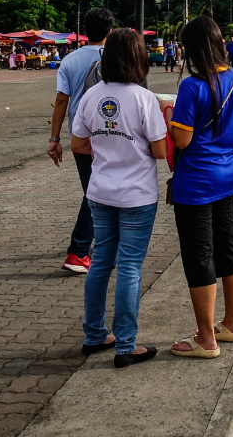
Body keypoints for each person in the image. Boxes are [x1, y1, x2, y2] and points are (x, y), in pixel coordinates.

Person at [70, 27, 170, 368]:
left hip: (100, 191)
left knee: (100, 263)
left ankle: (94, 334)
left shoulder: (91, 95)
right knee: (129, 266)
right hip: (137, 195)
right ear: (139, 58)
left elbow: (79, 144)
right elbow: (159, 151)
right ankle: (126, 345)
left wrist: (107, 146)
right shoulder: (144, 99)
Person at [167, 16, 233, 359]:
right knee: (227, 245)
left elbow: (182, 140)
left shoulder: (192, 86)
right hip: (227, 175)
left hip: (196, 183)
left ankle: (205, 338)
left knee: (199, 254)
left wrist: (168, 118)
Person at [47, 7, 116, 274]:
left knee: (95, 188)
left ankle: (96, 244)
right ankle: (78, 250)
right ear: (110, 31)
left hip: (80, 134)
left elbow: (61, 100)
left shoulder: (70, 60)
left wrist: (55, 138)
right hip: (110, 131)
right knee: (97, 191)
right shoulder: (113, 57)